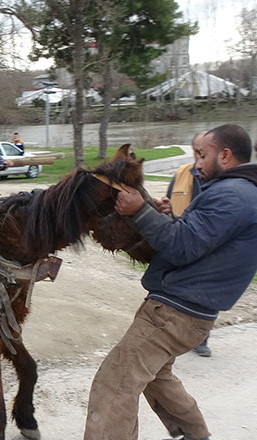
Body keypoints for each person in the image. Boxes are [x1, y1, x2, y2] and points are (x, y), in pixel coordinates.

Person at [84, 124, 257, 440]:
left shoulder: (232, 195)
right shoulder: (241, 192)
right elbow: (202, 242)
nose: (197, 164)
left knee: (114, 383)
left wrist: (139, 212)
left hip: (175, 312)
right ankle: (196, 435)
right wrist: (168, 219)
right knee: (156, 377)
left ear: (226, 155)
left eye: (202, 156)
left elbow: (183, 246)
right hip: (189, 313)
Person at [155, 131, 212, 357]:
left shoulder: (218, 180)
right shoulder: (181, 173)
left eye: (204, 152)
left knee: (204, 292)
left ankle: (200, 339)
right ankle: (172, 335)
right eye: (197, 151)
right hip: (179, 240)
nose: (199, 157)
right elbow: (170, 199)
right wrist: (166, 210)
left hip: (204, 244)